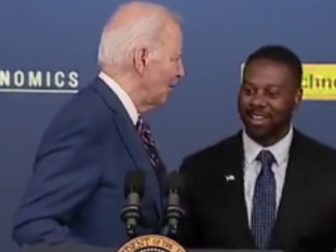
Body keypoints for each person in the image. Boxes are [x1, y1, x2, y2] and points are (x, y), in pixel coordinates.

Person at [12, 1, 185, 248]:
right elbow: (34, 226)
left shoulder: (121, 118)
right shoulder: (88, 119)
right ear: (142, 58)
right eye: (175, 59)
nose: (181, 71)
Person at [178, 45, 336, 252]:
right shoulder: (199, 169)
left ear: (297, 97)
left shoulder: (329, 170)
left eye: (272, 93)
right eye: (249, 91)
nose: (257, 101)